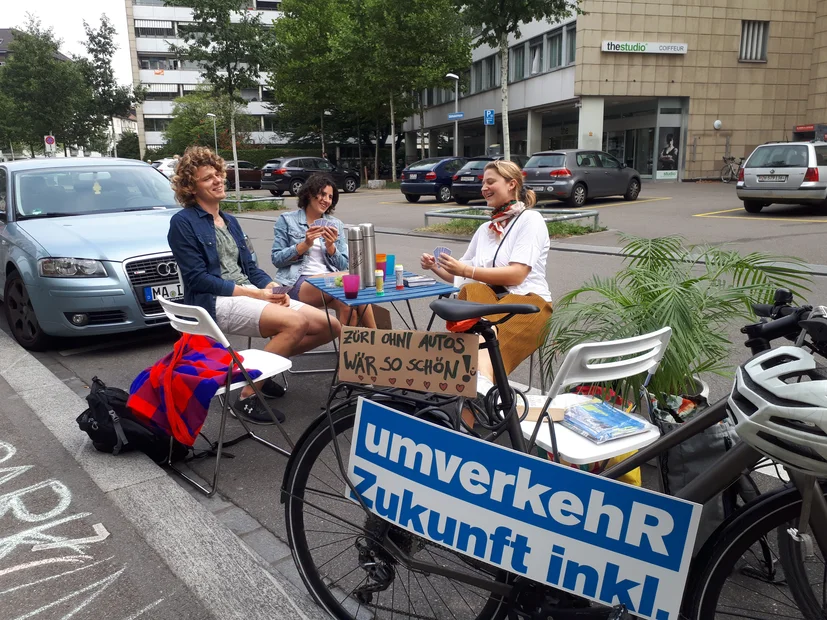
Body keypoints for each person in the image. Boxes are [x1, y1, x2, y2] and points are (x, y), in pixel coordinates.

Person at [168, 147, 341, 423]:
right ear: (190, 187)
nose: (217, 180)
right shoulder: (182, 223)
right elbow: (197, 280)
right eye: (207, 178)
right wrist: (256, 293)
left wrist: (274, 289)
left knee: (330, 326)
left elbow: (251, 268)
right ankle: (248, 396)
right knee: (295, 324)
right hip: (215, 301)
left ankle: (260, 369)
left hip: (249, 292)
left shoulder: (230, 221)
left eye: (218, 174)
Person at [420, 159, 553, 411]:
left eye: (490, 181)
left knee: (479, 351)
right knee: (471, 290)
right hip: (491, 304)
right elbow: (463, 277)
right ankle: (477, 395)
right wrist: (436, 267)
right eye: (483, 183)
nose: (484, 188)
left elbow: (517, 275)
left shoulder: (530, 220)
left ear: (512, 184)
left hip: (529, 302)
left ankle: (476, 392)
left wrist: (466, 269)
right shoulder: (485, 229)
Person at [271, 173, 376, 327]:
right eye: (322, 194)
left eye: (330, 197)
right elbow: (277, 259)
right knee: (353, 277)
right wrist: (304, 245)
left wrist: (330, 247)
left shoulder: (335, 224)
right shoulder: (287, 220)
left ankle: (347, 351)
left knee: (349, 306)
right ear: (309, 193)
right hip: (298, 283)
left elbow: (344, 265)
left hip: (330, 282)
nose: (326, 200)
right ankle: (378, 337)